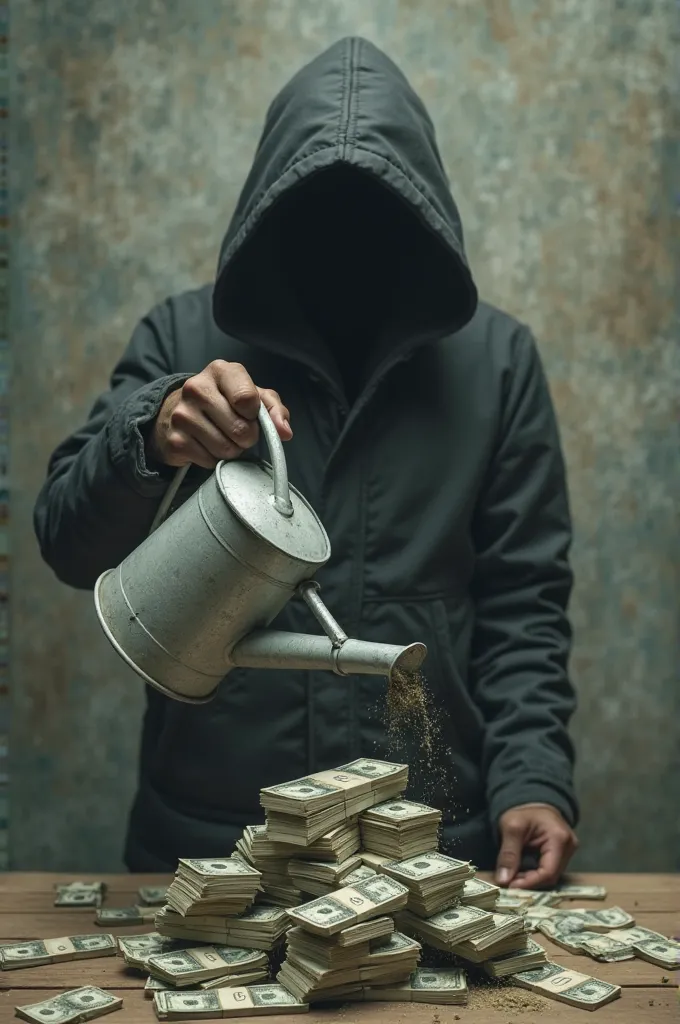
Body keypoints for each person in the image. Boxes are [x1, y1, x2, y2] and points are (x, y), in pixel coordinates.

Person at [34, 37, 579, 886]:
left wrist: (534, 776)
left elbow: (524, 603)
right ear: (267, 207)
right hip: (211, 847)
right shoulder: (182, 342)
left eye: (376, 215)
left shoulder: (497, 364)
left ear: (425, 213)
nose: (347, 242)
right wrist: (149, 431)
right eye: (317, 212)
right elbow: (67, 544)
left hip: (431, 846)